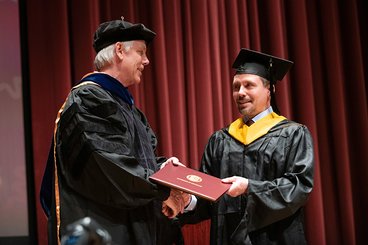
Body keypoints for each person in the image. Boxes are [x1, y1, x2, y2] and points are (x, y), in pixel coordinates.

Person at [40, 17, 189, 245]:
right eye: (141, 52)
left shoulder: (126, 108)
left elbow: (137, 163)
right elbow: (110, 166)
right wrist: (164, 186)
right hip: (104, 230)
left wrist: (166, 170)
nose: (146, 61)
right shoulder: (88, 101)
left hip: (133, 227)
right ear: (119, 50)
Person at [179, 48, 314, 244]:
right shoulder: (220, 140)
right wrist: (187, 201)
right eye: (236, 87)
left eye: (249, 85)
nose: (240, 93)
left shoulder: (292, 134)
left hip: (277, 238)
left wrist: (250, 188)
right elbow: (208, 198)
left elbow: (299, 187)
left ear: (270, 90)